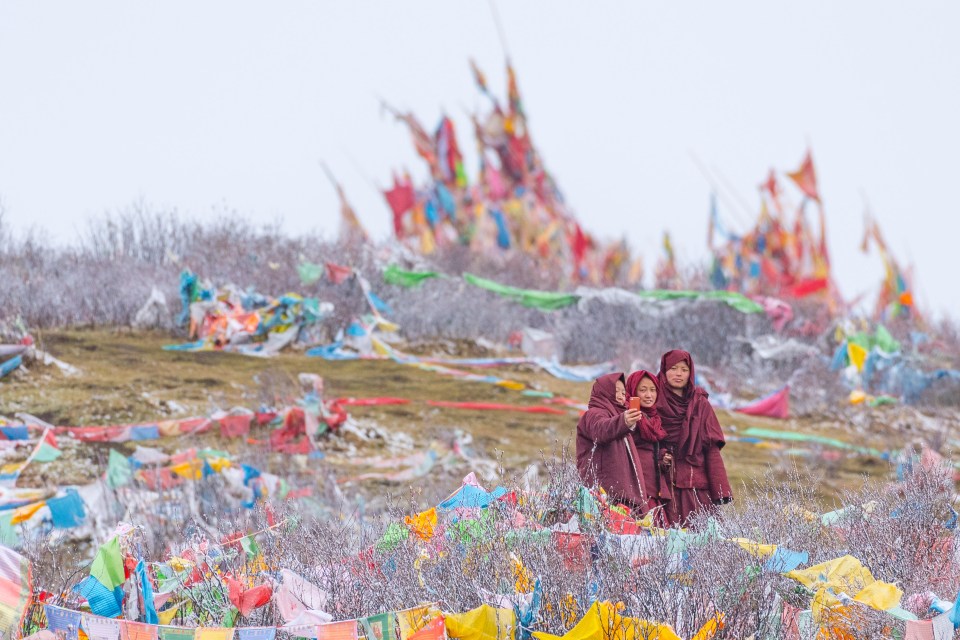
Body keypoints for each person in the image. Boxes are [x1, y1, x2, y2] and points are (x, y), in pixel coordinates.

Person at [655, 349, 733, 527]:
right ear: (664, 370)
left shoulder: (700, 403)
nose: (679, 374)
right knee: (665, 539)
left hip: (695, 484)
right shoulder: (654, 400)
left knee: (701, 536)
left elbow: (711, 449)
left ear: (690, 373)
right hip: (665, 483)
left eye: (684, 369)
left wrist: (720, 491)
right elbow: (646, 441)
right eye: (673, 368)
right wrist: (661, 455)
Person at [575, 372, 651, 513]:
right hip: (605, 494)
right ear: (604, 392)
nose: (622, 396)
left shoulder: (618, 419)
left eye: (624, 392)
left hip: (619, 494)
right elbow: (601, 430)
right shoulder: (594, 414)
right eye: (616, 391)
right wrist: (623, 421)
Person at [625, 370, 670, 519]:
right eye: (642, 390)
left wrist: (663, 458)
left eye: (653, 390)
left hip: (653, 490)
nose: (649, 395)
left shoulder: (655, 419)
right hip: (634, 489)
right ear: (632, 391)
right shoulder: (628, 415)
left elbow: (653, 450)